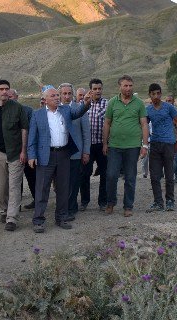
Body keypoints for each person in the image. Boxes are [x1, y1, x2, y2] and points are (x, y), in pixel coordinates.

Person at [28, 87, 91, 233]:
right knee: (42, 189)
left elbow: (78, 112)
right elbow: (32, 137)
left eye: (57, 95)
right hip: (46, 155)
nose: (57, 97)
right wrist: (32, 155)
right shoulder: (37, 115)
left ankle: (62, 217)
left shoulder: (66, 111)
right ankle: (38, 220)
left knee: (63, 188)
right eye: (53, 96)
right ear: (45, 99)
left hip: (63, 154)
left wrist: (86, 103)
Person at [103, 75, 149, 217]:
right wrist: (105, 143)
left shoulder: (139, 103)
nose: (128, 88)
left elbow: (144, 124)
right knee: (111, 175)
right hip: (115, 146)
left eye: (130, 85)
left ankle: (128, 206)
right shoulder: (112, 103)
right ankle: (110, 203)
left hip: (133, 146)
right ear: (120, 86)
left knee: (130, 177)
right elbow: (107, 123)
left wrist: (145, 145)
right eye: (125, 85)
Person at [0, 80, 29, 231]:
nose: (4, 91)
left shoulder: (17, 108)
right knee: (0, 187)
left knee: (14, 186)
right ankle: (4, 210)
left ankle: (12, 218)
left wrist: (23, 151)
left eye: (7, 89)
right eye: (1, 89)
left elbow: (24, 129)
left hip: (15, 152)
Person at [145, 84, 177, 212]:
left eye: (158, 93)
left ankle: (170, 200)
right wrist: (145, 141)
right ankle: (158, 202)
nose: (156, 96)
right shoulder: (148, 110)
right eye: (153, 94)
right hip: (154, 144)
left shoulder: (169, 108)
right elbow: (144, 125)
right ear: (150, 95)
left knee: (169, 174)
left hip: (168, 144)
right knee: (154, 176)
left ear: (161, 94)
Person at [60, 84, 91, 222]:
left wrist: (86, 152)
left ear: (72, 94)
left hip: (76, 153)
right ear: (60, 94)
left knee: (73, 182)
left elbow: (86, 133)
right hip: (60, 154)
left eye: (69, 93)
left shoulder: (79, 109)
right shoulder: (56, 109)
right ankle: (62, 206)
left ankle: (71, 208)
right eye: (64, 93)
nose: (66, 96)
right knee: (62, 183)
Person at [81, 78, 108, 212]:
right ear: (90, 90)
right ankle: (84, 201)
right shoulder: (83, 104)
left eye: (99, 89)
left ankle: (103, 202)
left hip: (102, 144)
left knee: (104, 174)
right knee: (85, 174)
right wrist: (86, 103)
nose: (97, 91)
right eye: (95, 89)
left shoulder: (107, 103)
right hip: (87, 145)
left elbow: (106, 119)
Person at [8, 89, 36, 210]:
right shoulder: (4, 112)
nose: (9, 99)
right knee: (15, 180)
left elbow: (32, 130)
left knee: (32, 177)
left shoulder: (28, 110)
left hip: (28, 150)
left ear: (17, 97)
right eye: (7, 97)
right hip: (13, 151)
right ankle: (16, 205)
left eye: (11, 96)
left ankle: (37, 200)